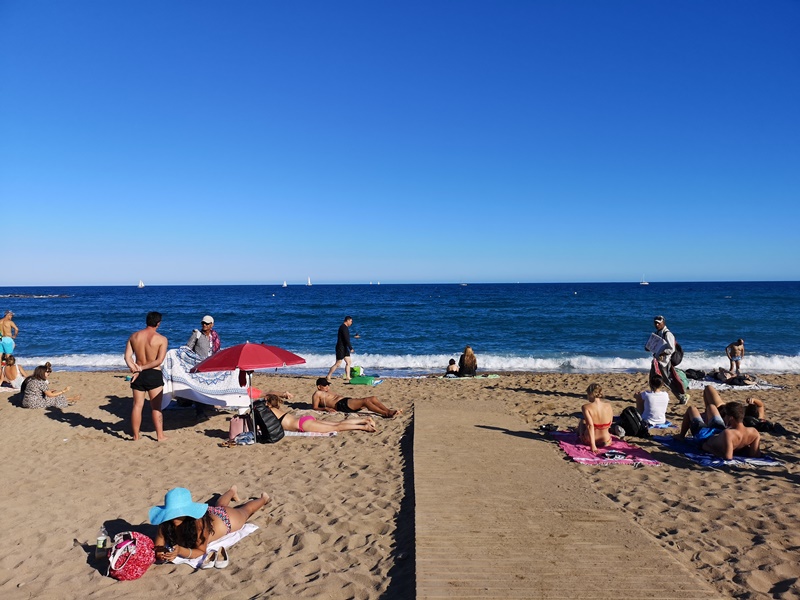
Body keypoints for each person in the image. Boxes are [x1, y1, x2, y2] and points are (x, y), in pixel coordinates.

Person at [151, 485, 271, 567]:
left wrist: (180, 551)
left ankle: (264, 499)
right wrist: (162, 554)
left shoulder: (198, 525)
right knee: (220, 504)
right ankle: (232, 491)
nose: (173, 517)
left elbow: (200, 551)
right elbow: (159, 546)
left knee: (246, 511)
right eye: (171, 514)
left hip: (226, 520)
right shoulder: (165, 523)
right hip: (211, 514)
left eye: (177, 514)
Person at [124, 311, 168, 441]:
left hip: (138, 374)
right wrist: (142, 368)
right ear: (158, 323)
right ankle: (160, 436)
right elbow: (159, 361)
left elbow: (127, 357)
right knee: (156, 407)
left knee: (137, 406)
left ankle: (136, 436)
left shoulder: (134, 336)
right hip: (153, 373)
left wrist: (135, 368)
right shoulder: (161, 339)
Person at [674, 400, 761, 460]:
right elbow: (754, 454)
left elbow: (728, 457)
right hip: (719, 431)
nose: (724, 417)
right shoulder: (754, 432)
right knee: (711, 407)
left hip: (704, 436)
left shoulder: (729, 433)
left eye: (725, 415)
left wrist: (706, 447)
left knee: (691, 409)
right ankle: (707, 424)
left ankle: (682, 436)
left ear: (730, 418)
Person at [263, 394, 377, 432]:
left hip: (302, 425)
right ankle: (364, 420)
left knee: (337, 427)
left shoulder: (270, 412)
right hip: (304, 420)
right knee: (337, 423)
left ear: (268, 404)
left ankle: (365, 427)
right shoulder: (277, 410)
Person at [646, 315, 689, 404]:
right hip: (656, 361)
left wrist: (662, 353)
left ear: (663, 323)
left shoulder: (668, 334)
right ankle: (653, 396)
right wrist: (648, 347)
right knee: (652, 379)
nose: (657, 325)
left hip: (664, 362)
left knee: (667, 381)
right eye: (655, 323)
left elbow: (671, 349)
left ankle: (682, 397)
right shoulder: (657, 333)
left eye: (659, 323)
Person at [186, 315, 221, 421]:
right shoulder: (197, 334)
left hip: (211, 366)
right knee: (199, 389)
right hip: (199, 366)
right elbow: (188, 348)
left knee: (209, 387)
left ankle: (207, 407)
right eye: (203, 323)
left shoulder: (214, 336)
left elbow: (216, 350)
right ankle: (199, 412)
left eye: (207, 323)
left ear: (212, 325)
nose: (204, 325)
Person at [312, 377, 402, 418]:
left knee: (373, 398)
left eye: (327, 385)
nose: (327, 387)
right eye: (324, 386)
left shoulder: (327, 390)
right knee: (366, 401)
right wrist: (326, 408)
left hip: (345, 401)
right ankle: (385, 413)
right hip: (341, 405)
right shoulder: (317, 393)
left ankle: (387, 410)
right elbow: (315, 407)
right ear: (319, 386)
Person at [576, 383, 614, 454]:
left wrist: (593, 446)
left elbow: (590, 426)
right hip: (606, 440)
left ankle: (580, 435)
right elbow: (610, 423)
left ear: (591, 394)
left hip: (589, 440)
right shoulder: (608, 406)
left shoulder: (585, 407)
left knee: (582, 421)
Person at [326, 316, 354, 382]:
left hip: (345, 347)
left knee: (348, 362)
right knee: (338, 363)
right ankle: (329, 375)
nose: (351, 323)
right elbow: (346, 339)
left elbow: (346, 339)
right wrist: (351, 348)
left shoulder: (345, 328)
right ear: (347, 320)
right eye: (351, 321)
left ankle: (348, 376)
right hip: (340, 347)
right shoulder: (343, 328)